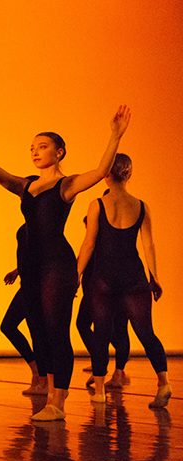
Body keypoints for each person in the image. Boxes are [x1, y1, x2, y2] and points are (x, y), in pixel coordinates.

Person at [0, 104, 130, 421]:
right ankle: (51, 395)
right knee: (38, 330)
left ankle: (59, 399)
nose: (35, 152)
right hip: (31, 266)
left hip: (57, 264)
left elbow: (99, 171)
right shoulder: (26, 185)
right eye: (32, 148)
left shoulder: (65, 185)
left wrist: (115, 135)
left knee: (56, 330)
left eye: (42, 147)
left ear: (59, 152)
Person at [76, 153, 171, 407]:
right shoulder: (141, 206)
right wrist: (154, 277)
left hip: (104, 277)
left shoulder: (97, 204)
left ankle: (99, 390)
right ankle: (163, 382)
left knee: (101, 332)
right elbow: (148, 245)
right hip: (134, 276)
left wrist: (77, 274)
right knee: (146, 332)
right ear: (129, 175)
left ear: (106, 174)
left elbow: (89, 244)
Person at [77, 210, 130, 388]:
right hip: (98, 290)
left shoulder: (100, 244)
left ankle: (110, 368)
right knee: (112, 330)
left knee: (114, 330)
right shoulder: (101, 243)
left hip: (101, 290)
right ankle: (105, 364)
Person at [0, 220, 47, 395]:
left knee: (36, 332)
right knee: (8, 326)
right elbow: (29, 257)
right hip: (27, 285)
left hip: (36, 286)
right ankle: (36, 371)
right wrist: (17, 271)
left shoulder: (41, 226)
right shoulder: (26, 226)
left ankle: (43, 380)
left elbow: (44, 257)